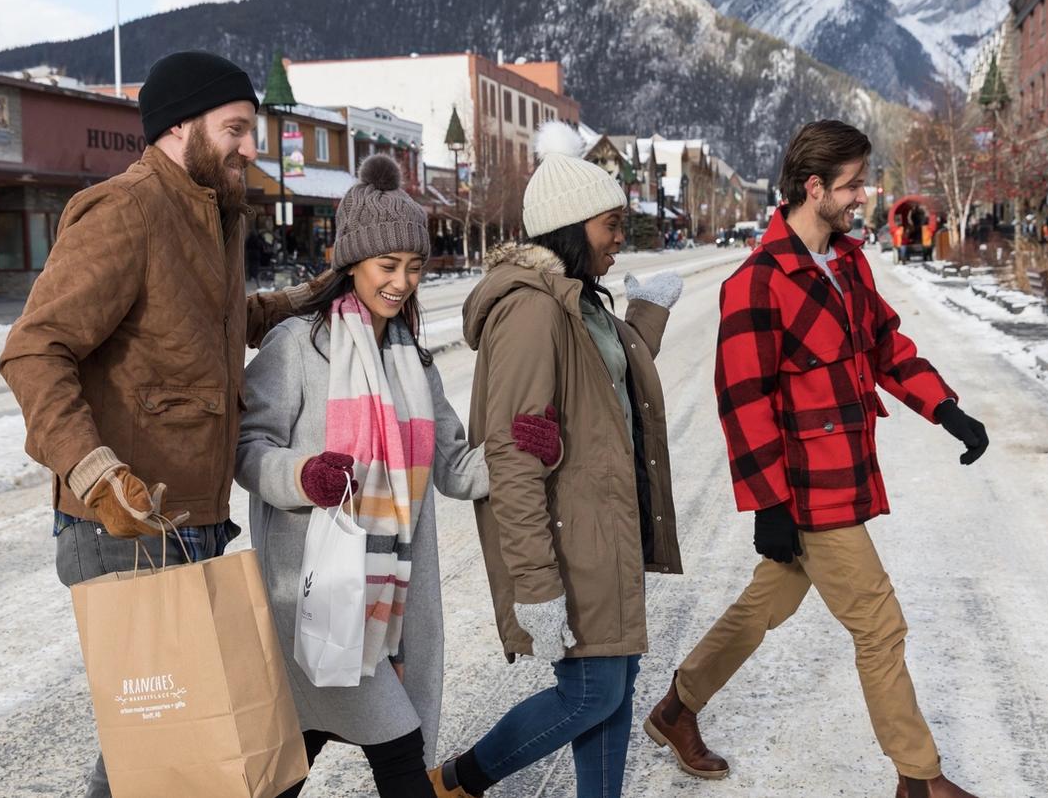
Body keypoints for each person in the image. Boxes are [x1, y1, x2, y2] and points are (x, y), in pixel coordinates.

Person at [0, 49, 327, 798]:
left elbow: (209, 323)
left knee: (184, 751)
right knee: (163, 754)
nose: (252, 147)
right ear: (181, 126)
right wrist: (97, 473)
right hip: (122, 527)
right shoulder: (128, 211)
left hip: (191, 521)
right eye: (237, 128)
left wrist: (302, 299)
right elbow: (33, 351)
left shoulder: (214, 211)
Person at [642, 120, 992, 798]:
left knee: (768, 602)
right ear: (813, 187)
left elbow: (887, 347)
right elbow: (743, 403)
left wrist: (946, 410)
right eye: (854, 184)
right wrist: (769, 504)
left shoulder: (849, 262)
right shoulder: (756, 284)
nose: (864, 194)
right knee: (879, 623)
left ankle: (676, 708)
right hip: (806, 489)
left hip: (844, 475)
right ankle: (919, 780)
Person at [237, 154, 506, 797]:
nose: (403, 282)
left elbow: (455, 467)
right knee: (399, 748)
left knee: (294, 754)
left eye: (415, 267)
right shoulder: (298, 344)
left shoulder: (413, 359)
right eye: (389, 267)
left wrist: (520, 453)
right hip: (314, 595)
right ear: (351, 262)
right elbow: (247, 449)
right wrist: (304, 476)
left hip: (385, 600)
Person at [431, 122, 686, 798]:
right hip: (569, 540)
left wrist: (646, 317)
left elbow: (602, 395)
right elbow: (512, 460)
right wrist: (535, 586)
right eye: (611, 223)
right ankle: (456, 783)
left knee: (614, 687)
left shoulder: (579, 301)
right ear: (574, 227)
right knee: (591, 693)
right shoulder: (531, 314)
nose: (620, 236)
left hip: (603, 531)